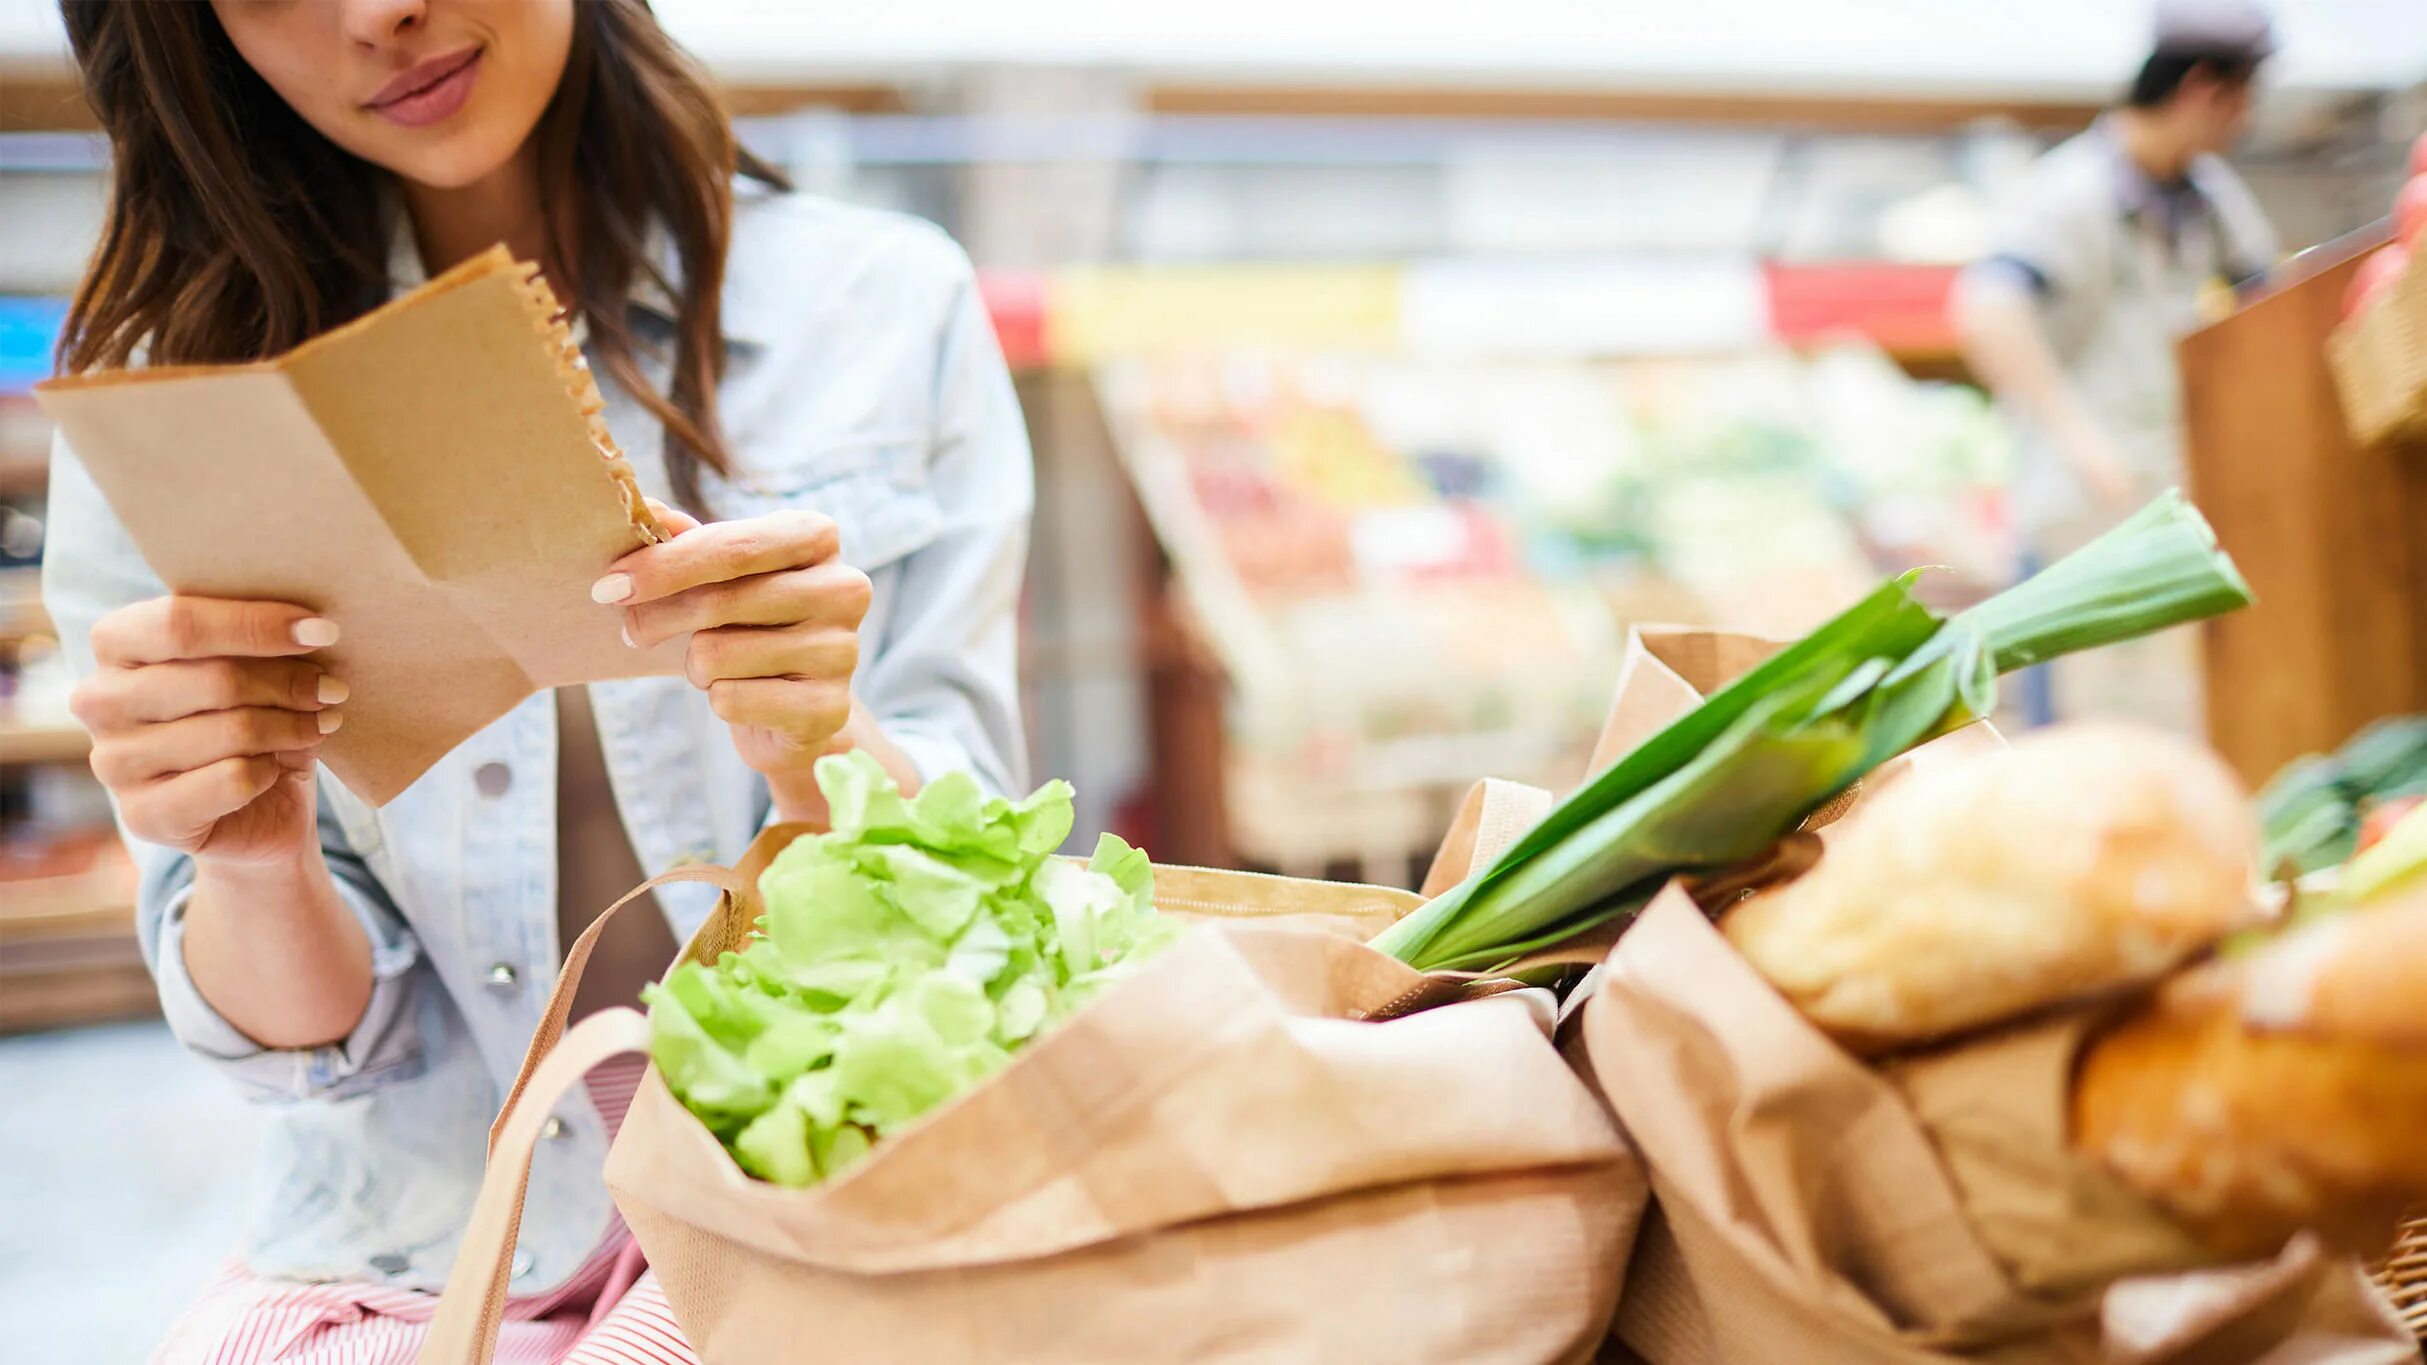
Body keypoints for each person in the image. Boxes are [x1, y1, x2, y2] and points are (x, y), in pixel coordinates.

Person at [40, 1, 1031, 1360]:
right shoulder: (173, 395)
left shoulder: (880, 305)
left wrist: (820, 742)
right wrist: (255, 856)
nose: (378, 9)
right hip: (414, 1233)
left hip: (821, 1170)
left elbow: (987, 901)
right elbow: (303, 1048)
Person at [1952, 0, 2279, 732]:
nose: (2242, 124)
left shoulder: (2209, 198)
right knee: (2074, 735)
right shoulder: (2068, 191)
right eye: (2240, 103)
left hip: (2164, 505)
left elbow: (2269, 297)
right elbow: (1985, 309)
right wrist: (2078, 436)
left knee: (2162, 724)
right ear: (2200, 90)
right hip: (2078, 512)